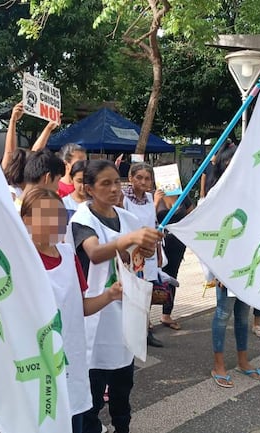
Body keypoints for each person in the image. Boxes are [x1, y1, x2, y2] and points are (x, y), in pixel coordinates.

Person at [68, 160, 162, 433]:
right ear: (89, 189)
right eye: (104, 184)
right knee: (93, 396)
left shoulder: (128, 219)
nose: (113, 189)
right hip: (98, 315)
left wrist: (144, 251)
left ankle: (123, 427)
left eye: (115, 182)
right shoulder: (81, 221)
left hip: (126, 310)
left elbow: (139, 258)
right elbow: (96, 253)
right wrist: (128, 240)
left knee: (123, 390)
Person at [20, 187, 123, 433]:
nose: (54, 222)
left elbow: (80, 308)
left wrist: (110, 295)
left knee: (74, 420)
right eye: (45, 216)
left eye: (58, 215)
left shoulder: (68, 255)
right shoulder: (21, 263)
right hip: (37, 367)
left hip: (72, 364)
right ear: (26, 221)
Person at [207, 144, 260, 389]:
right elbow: (212, 236)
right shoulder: (216, 196)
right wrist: (218, 269)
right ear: (221, 167)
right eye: (228, 164)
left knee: (243, 315)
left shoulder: (252, 194)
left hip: (248, 264)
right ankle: (218, 365)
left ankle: (243, 361)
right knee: (223, 314)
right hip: (226, 267)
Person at [121, 162, 164, 347]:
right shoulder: (123, 199)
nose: (143, 182)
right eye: (139, 177)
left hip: (149, 254)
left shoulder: (149, 198)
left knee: (147, 294)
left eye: (147, 178)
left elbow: (154, 225)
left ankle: (146, 332)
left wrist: (159, 252)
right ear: (130, 178)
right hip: (131, 253)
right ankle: (130, 333)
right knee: (131, 294)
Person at [1, 102, 60, 202]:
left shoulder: (28, 192)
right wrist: (13, 120)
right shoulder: (10, 192)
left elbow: (36, 151)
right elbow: (9, 151)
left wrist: (49, 128)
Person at [154, 187, 194, 330]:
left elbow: (192, 214)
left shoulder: (183, 195)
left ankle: (166, 314)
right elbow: (146, 219)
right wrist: (156, 201)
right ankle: (147, 317)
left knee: (172, 277)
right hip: (159, 244)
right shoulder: (153, 195)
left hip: (178, 242)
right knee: (153, 278)